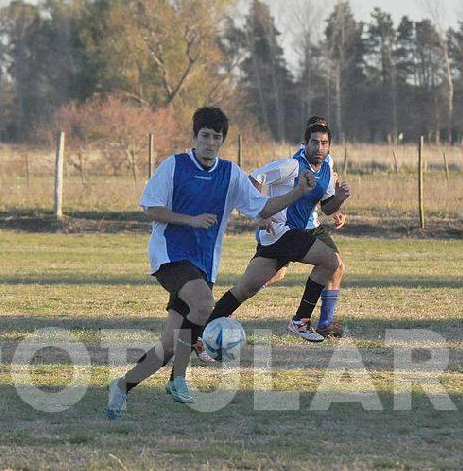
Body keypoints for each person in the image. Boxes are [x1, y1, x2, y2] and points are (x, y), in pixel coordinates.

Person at [105, 107, 317, 420]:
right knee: (204, 304)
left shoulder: (230, 173)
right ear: (195, 137)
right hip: (169, 255)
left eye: (216, 138)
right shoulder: (174, 166)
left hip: (203, 263)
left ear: (222, 141)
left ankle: (122, 386)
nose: (210, 143)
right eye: (205, 136)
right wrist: (189, 220)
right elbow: (151, 208)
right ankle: (178, 379)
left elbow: (261, 204)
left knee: (168, 345)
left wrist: (298, 191)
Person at [205, 116, 352, 341]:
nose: (319, 147)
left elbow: (326, 204)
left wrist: (339, 198)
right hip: (281, 232)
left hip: (289, 235)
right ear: (305, 143)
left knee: (247, 288)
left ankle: (203, 326)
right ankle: (301, 321)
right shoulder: (291, 166)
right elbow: (252, 180)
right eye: (314, 142)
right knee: (331, 261)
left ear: (329, 145)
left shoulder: (327, 166)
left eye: (324, 143)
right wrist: (258, 212)